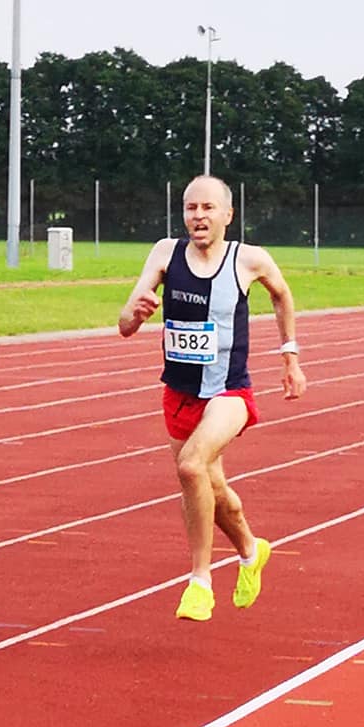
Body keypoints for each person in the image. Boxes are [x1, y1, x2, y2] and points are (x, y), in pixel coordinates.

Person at [119, 175, 307, 622]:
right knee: (212, 486)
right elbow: (125, 324)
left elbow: (282, 295)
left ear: (228, 214)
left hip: (229, 391)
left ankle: (200, 581)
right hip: (180, 393)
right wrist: (137, 313)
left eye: (207, 208)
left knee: (190, 466)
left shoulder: (249, 259)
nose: (198, 217)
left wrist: (290, 356)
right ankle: (250, 549)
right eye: (190, 208)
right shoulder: (165, 254)